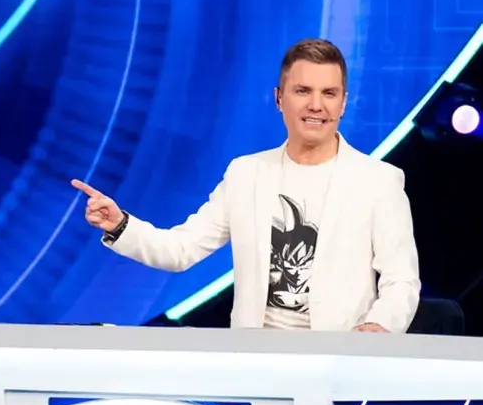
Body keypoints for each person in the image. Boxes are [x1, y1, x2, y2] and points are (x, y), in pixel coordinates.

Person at [72, 39, 421, 333]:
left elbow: (401, 280)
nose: (316, 105)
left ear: (343, 102)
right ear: (279, 98)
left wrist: (379, 326)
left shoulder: (378, 181)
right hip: (255, 360)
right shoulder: (245, 174)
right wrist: (120, 225)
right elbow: (181, 249)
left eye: (328, 93)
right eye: (303, 91)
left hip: (338, 360)